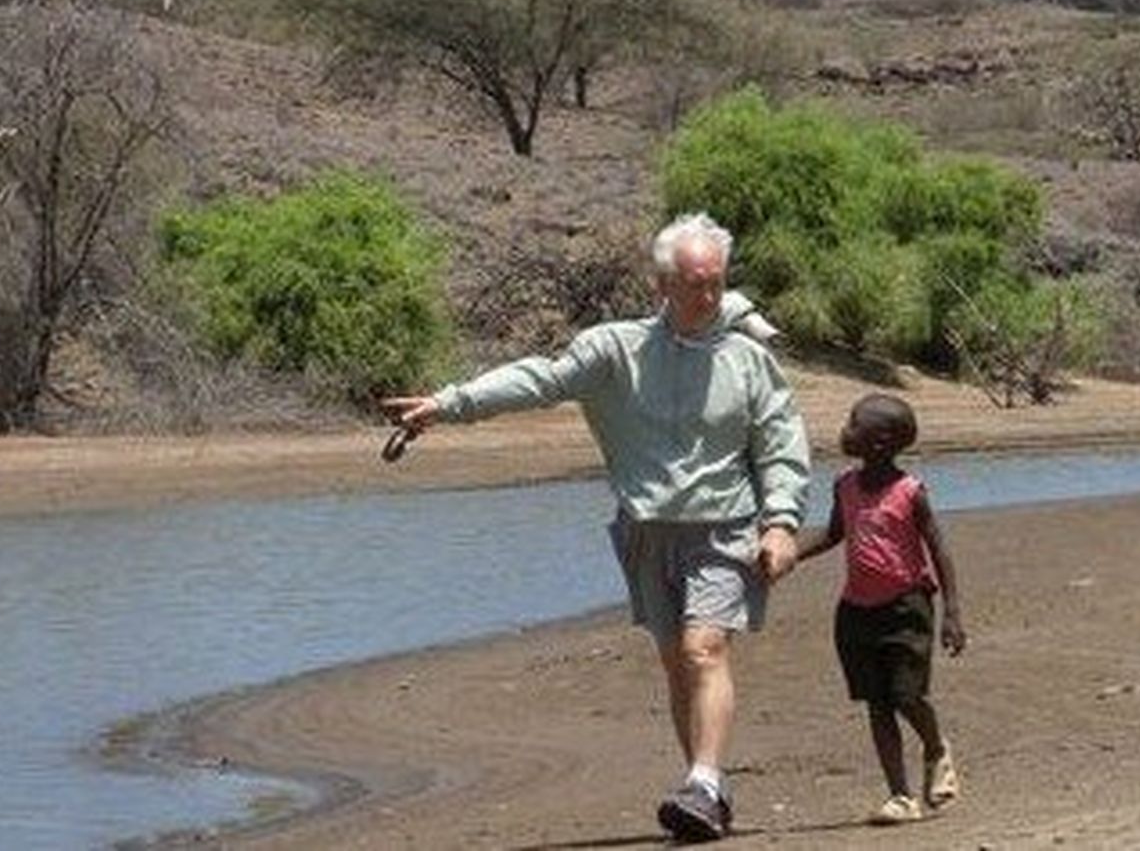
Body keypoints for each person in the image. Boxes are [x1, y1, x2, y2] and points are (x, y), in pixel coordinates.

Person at [381, 212, 809, 843]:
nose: (709, 296)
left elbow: (780, 443)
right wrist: (448, 404)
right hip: (645, 529)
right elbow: (539, 379)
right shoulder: (615, 350)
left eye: (717, 282)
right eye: (695, 283)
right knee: (675, 666)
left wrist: (781, 522)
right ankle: (706, 791)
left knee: (703, 651)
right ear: (662, 284)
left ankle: (704, 781)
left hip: (726, 527)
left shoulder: (748, 359)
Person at [797, 392, 966, 826]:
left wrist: (952, 613)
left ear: (882, 440)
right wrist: (788, 554)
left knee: (907, 695)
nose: (845, 429)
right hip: (855, 610)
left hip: (906, 607)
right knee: (877, 702)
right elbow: (834, 534)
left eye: (855, 423)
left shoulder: (910, 492)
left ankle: (934, 747)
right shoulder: (845, 485)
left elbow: (939, 549)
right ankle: (900, 795)